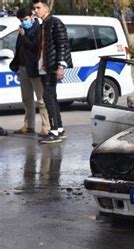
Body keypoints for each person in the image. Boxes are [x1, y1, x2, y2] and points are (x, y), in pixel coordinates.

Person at [33, 0, 72, 144]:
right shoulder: (43, 25)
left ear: (46, 8)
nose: (36, 10)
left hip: (52, 66)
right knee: (51, 97)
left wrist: (61, 65)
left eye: (38, 7)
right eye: (34, 8)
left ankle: (54, 130)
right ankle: (59, 129)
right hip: (44, 67)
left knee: (48, 97)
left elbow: (62, 44)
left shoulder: (55, 22)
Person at [10, 7, 50, 137]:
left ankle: (46, 126)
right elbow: (19, 48)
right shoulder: (23, 30)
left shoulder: (38, 29)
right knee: (27, 99)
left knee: (41, 99)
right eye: (21, 20)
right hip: (23, 68)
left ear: (32, 17)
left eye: (26, 19)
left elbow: (34, 47)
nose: (24, 22)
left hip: (35, 69)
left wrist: (23, 35)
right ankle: (29, 125)